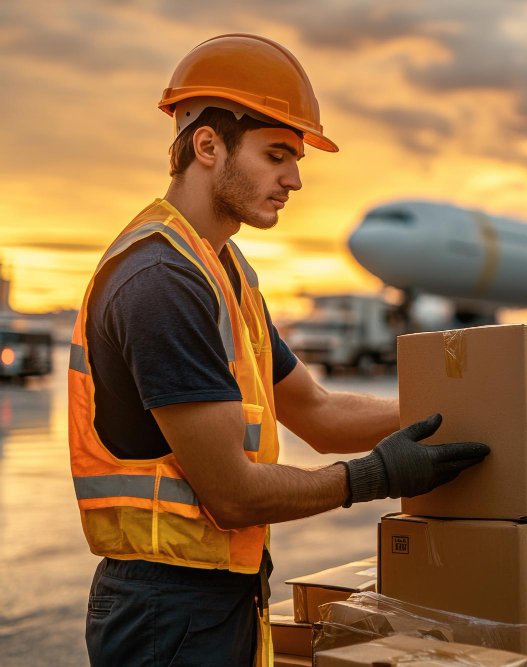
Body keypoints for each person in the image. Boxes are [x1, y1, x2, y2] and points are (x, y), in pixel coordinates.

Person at [67, 33, 489, 667]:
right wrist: (375, 476)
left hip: (218, 594)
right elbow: (232, 494)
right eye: (276, 155)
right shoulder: (162, 281)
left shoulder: (224, 270)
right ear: (207, 146)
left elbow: (318, 413)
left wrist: (460, 410)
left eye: (294, 159)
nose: (294, 179)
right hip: (164, 609)